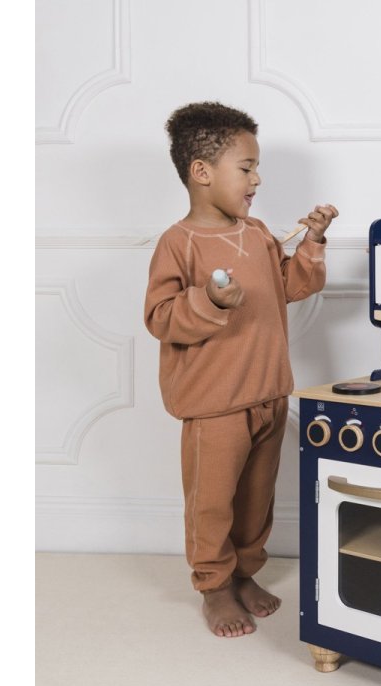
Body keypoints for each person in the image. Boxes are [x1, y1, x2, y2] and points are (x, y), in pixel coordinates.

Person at [144, 101, 338, 637]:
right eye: (246, 167)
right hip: (214, 406)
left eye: (257, 168)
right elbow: (160, 318)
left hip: (268, 393)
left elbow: (290, 286)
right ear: (201, 172)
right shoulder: (178, 243)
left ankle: (245, 573)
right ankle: (214, 586)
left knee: (256, 500)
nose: (257, 179)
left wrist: (312, 243)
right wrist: (209, 300)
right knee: (212, 504)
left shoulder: (257, 233)